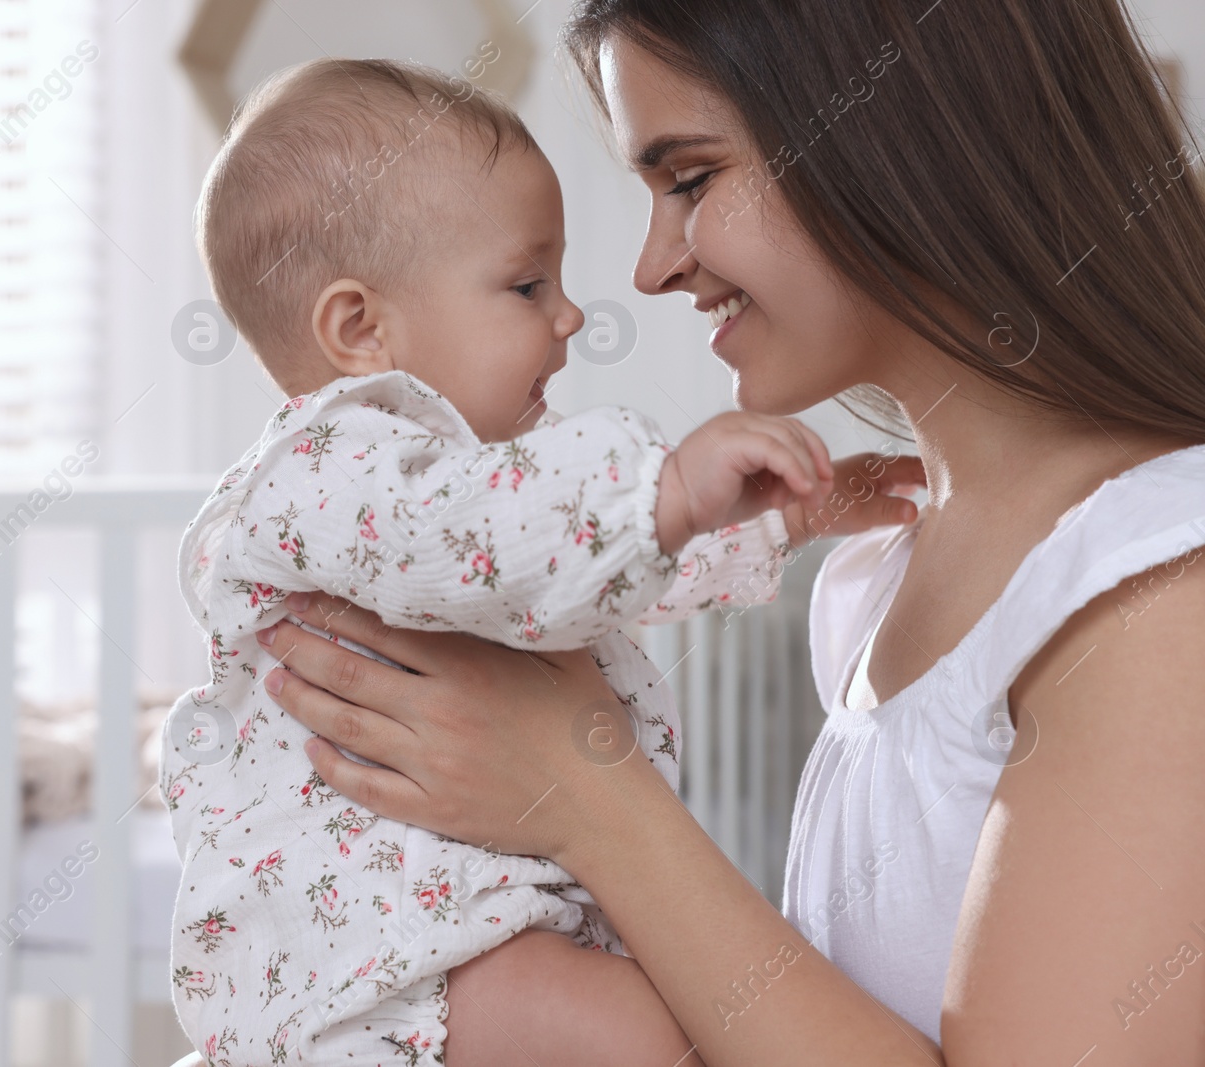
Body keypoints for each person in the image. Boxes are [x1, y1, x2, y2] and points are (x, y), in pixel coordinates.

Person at [251, 2, 1205, 1064]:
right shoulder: (887, 576)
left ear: (893, 137)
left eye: (690, 180)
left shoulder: (1157, 592)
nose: (650, 268)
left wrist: (589, 797)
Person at [163, 57, 923, 1066]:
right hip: (383, 961)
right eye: (526, 284)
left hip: (464, 931)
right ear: (359, 328)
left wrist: (780, 520)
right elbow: (495, 538)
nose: (568, 316)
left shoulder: (483, 498)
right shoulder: (331, 468)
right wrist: (669, 490)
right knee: (658, 1033)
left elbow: (575, 578)